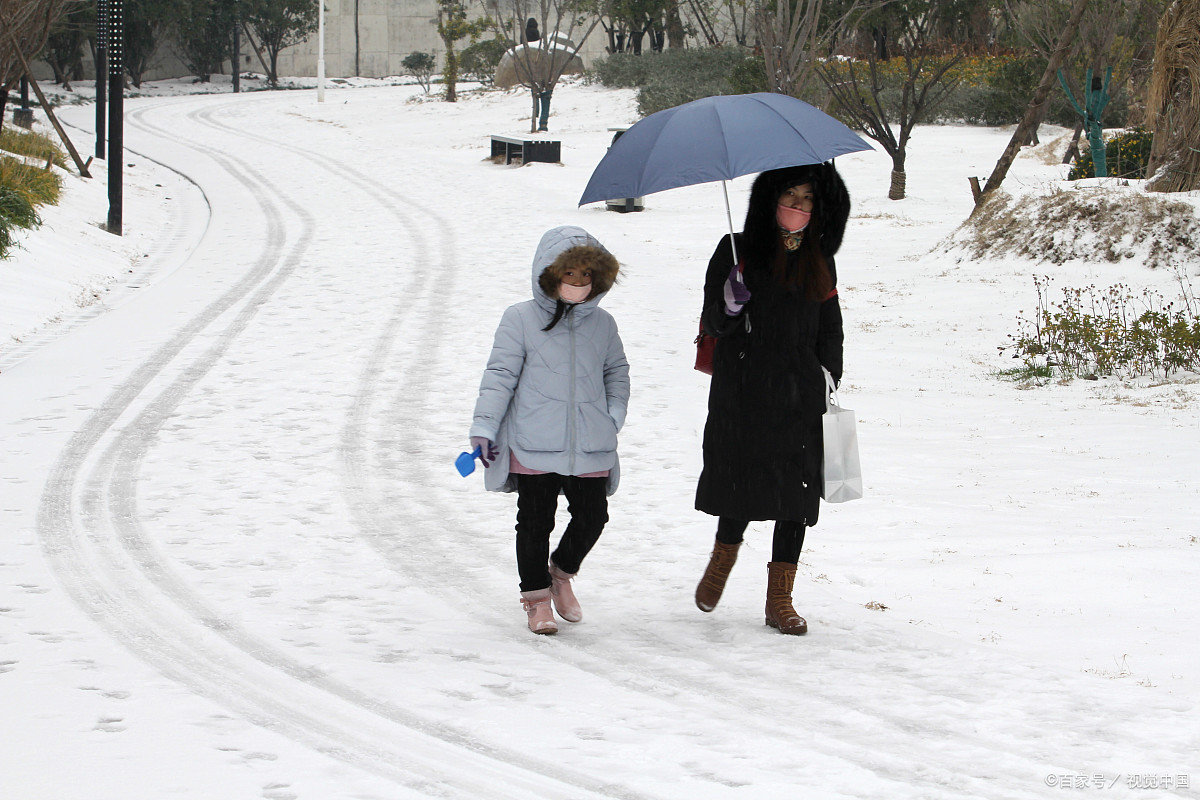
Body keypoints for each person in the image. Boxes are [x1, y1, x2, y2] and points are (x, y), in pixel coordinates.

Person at [692, 163, 848, 636]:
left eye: (807, 200)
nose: (797, 207)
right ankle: (723, 556)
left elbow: (830, 324)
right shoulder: (735, 250)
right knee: (742, 478)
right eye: (790, 196)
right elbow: (713, 323)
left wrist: (830, 375)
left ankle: (780, 597)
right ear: (769, 200)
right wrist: (731, 302)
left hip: (800, 390)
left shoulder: (820, 256)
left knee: (795, 494)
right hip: (744, 386)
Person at [469, 226, 629, 635]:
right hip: (534, 439)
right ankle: (536, 600)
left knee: (593, 516)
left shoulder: (603, 324)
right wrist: (484, 426)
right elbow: (500, 374)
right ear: (549, 273)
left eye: (586, 275)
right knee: (535, 522)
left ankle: (561, 574)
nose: (577, 282)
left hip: (590, 440)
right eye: (569, 273)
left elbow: (617, 372)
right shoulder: (520, 318)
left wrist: (612, 415)